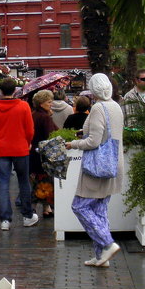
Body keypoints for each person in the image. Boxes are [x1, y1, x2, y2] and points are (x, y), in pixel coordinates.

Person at [65, 73, 125, 268]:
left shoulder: (99, 108)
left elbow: (94, 142)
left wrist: (72, 144)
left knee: (79, 206)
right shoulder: (115, 106)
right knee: (100, 209)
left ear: (93, 89)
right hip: (113, 163)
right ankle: (101, 256)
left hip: (98, 166)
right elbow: (108, 133)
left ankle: (107, 244)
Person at [0, 77, 39, 231]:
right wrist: (28, 141)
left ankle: (5, 220)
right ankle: (27, 215)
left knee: (3, 183)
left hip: (1, 150)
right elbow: (30, 130)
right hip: (20, 148)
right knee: (24, 182)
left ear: (1, 91)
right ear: (15, 90)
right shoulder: (24, 107)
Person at [30, 90, 56, 218]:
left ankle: (47, 207)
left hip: (33, 153)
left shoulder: (33, 114)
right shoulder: (44, 118)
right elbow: (51, 135)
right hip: (43, 154)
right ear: (41, 104)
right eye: (49, 102)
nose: (51, 104)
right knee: (44, 181)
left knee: (39, 180)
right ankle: (35, 208)